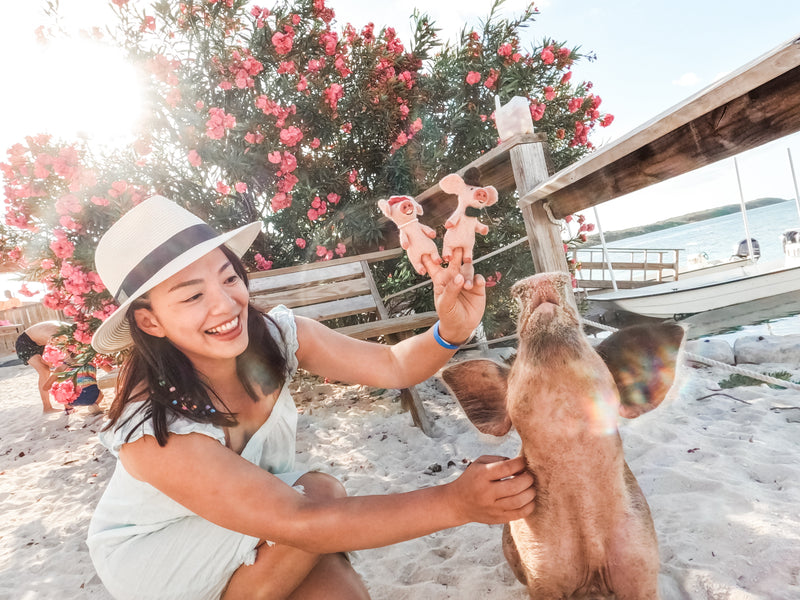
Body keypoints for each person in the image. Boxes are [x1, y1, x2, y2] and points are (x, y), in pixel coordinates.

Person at [85, 196, 535, 600]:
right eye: (192, 296)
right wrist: (455, 502)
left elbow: (394, 366)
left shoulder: (276, 337)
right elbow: (299, 521)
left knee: (323, 496)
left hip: (275, 513)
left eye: (229, 279)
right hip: (160, 551)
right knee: (316, 507)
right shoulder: (152, 430)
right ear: (150, 322)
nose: (224, 305)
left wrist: (451, 331)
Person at [14, 320, 69, 413]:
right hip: (24, 343)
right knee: (44, 371)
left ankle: (64, 401)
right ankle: (47, 407)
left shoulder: (67, 329)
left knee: (53, 367)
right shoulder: (55, 335)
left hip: (40, 342)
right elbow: (67, 356)